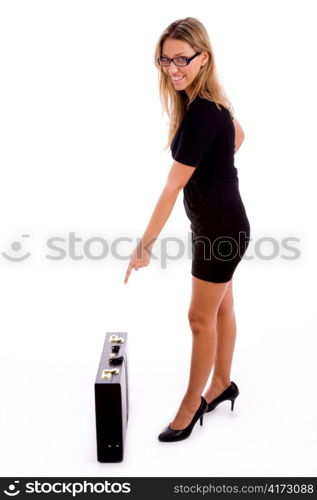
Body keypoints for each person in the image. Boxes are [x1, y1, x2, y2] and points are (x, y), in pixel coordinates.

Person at [124, 17, 251, 442]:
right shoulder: (211, 105)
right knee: (220, 310)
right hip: (221, 223)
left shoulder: (202, 113)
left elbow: (172, 186)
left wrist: (144, 245)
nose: (172, 68)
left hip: (219, 230)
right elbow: (238, 136)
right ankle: (221, 384)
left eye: (182, 59)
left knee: (200, 318)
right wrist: (216, 171)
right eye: (165, 59)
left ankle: (192, 404)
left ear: (203, 58)